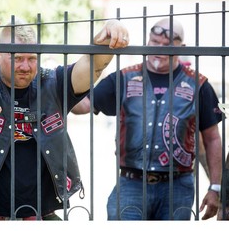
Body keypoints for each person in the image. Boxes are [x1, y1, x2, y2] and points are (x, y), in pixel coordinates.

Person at [0, 1, 129, 220]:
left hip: (41, 215)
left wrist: (109, 34)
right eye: (17, 58)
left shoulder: (53, 84)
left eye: (32, 58)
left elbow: (94, 66)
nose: (25, 66)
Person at [72, 17, 222, 220]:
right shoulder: (124, 78)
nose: (159, 49)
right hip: (131, 184)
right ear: (148, 41)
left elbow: (212, 138)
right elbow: (80, 106)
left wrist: (215, 187)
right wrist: (91, 64)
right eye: (154, 43)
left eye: (166, 45)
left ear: (181, 47)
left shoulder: (199, 84)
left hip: (177, 187)